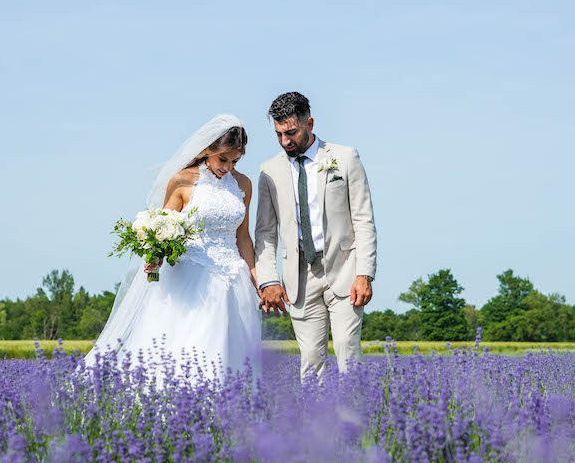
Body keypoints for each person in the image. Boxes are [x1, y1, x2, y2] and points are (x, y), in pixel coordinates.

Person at [87, 114, 261, 382]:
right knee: (191, 344)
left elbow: (243, 237)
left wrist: (254, 275)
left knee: (232, 353)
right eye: (222, 159)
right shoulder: (182, 181)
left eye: (235, 160)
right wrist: (154, 255)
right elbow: (162, 227)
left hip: (233, 277)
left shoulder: (243, 184)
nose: (228, 167)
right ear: (207, 151)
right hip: (191, 276)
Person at [254, 92, 378, 377]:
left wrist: (365, 273)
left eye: (291, 132)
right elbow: (265, 233)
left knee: (348, 349)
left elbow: (363, 219)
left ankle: (355, 418)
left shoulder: (345, 158)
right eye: (278, 134)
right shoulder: (268, 171)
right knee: (311, 360)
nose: (285, 141)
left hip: (345, 270)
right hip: (299, 277)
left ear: (309, 123)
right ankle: (314, 420)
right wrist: (269, 280)